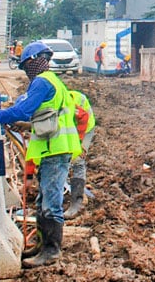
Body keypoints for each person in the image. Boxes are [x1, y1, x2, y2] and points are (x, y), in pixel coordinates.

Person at [0, 41, 81, 268]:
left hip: (55, 149)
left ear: (33, 62)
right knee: (44, 200)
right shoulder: (54, 81)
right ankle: (43, 246)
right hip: (55, 148)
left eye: (25, 66)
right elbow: (48, 117)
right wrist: (25, 125)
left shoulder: (42, 82)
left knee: (51, 203)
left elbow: (23, 109)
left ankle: (51, 251)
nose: (26, 71)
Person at [64, 89, 95, 219]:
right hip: (70, 128)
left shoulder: (69, 103)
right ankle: (63, 194)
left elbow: (83, 119)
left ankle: (77, 202)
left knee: (78, 160)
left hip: (85, 128)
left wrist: (80, 146)